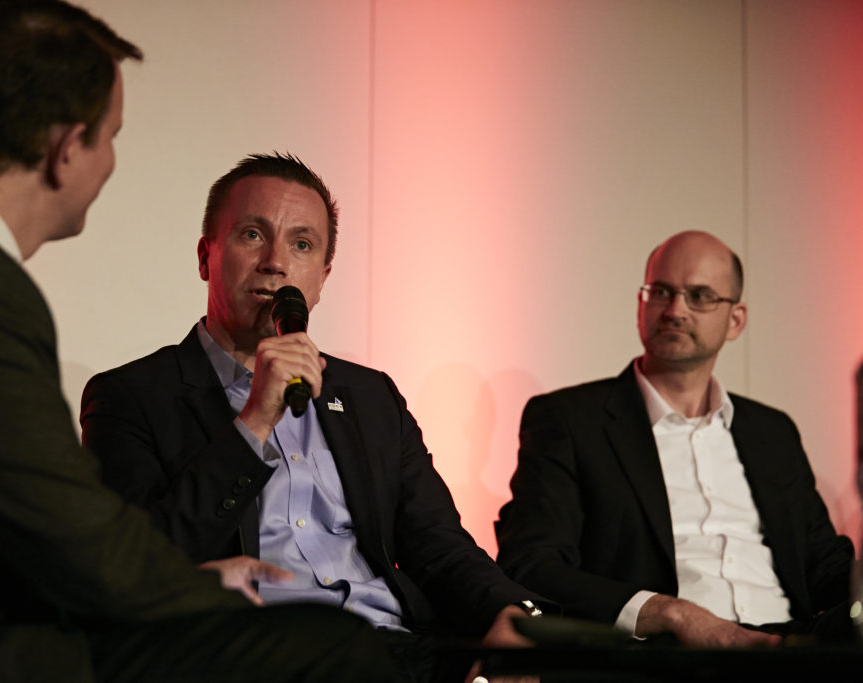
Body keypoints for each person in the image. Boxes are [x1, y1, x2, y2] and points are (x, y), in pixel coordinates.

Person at [0, 2, 396, 682]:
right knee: (335, 645)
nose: (109, 164)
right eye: (111, 138)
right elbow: (66, 534)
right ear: (66, 148)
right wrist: (204, 590)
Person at [80, 152, 545, 681]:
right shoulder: (132, 397)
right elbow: (139, 566)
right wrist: (254, 420)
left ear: (322, 278)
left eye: (302, 244)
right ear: (206, 256)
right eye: (252, 235)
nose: (275, 261)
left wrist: (516, 615)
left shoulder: (369, 396)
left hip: (401, 646)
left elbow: (437, 543)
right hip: (257, 655)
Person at [495, 230, 854, 647]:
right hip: (666, 652)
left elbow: (825, 564)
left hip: (792, 648)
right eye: (661, 291)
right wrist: (667, 611)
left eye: (700, 295)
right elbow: (532, 563)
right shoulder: (571, 421)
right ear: (641, 305)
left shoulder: (772, 432)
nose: (675, 309)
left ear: (735, 320)